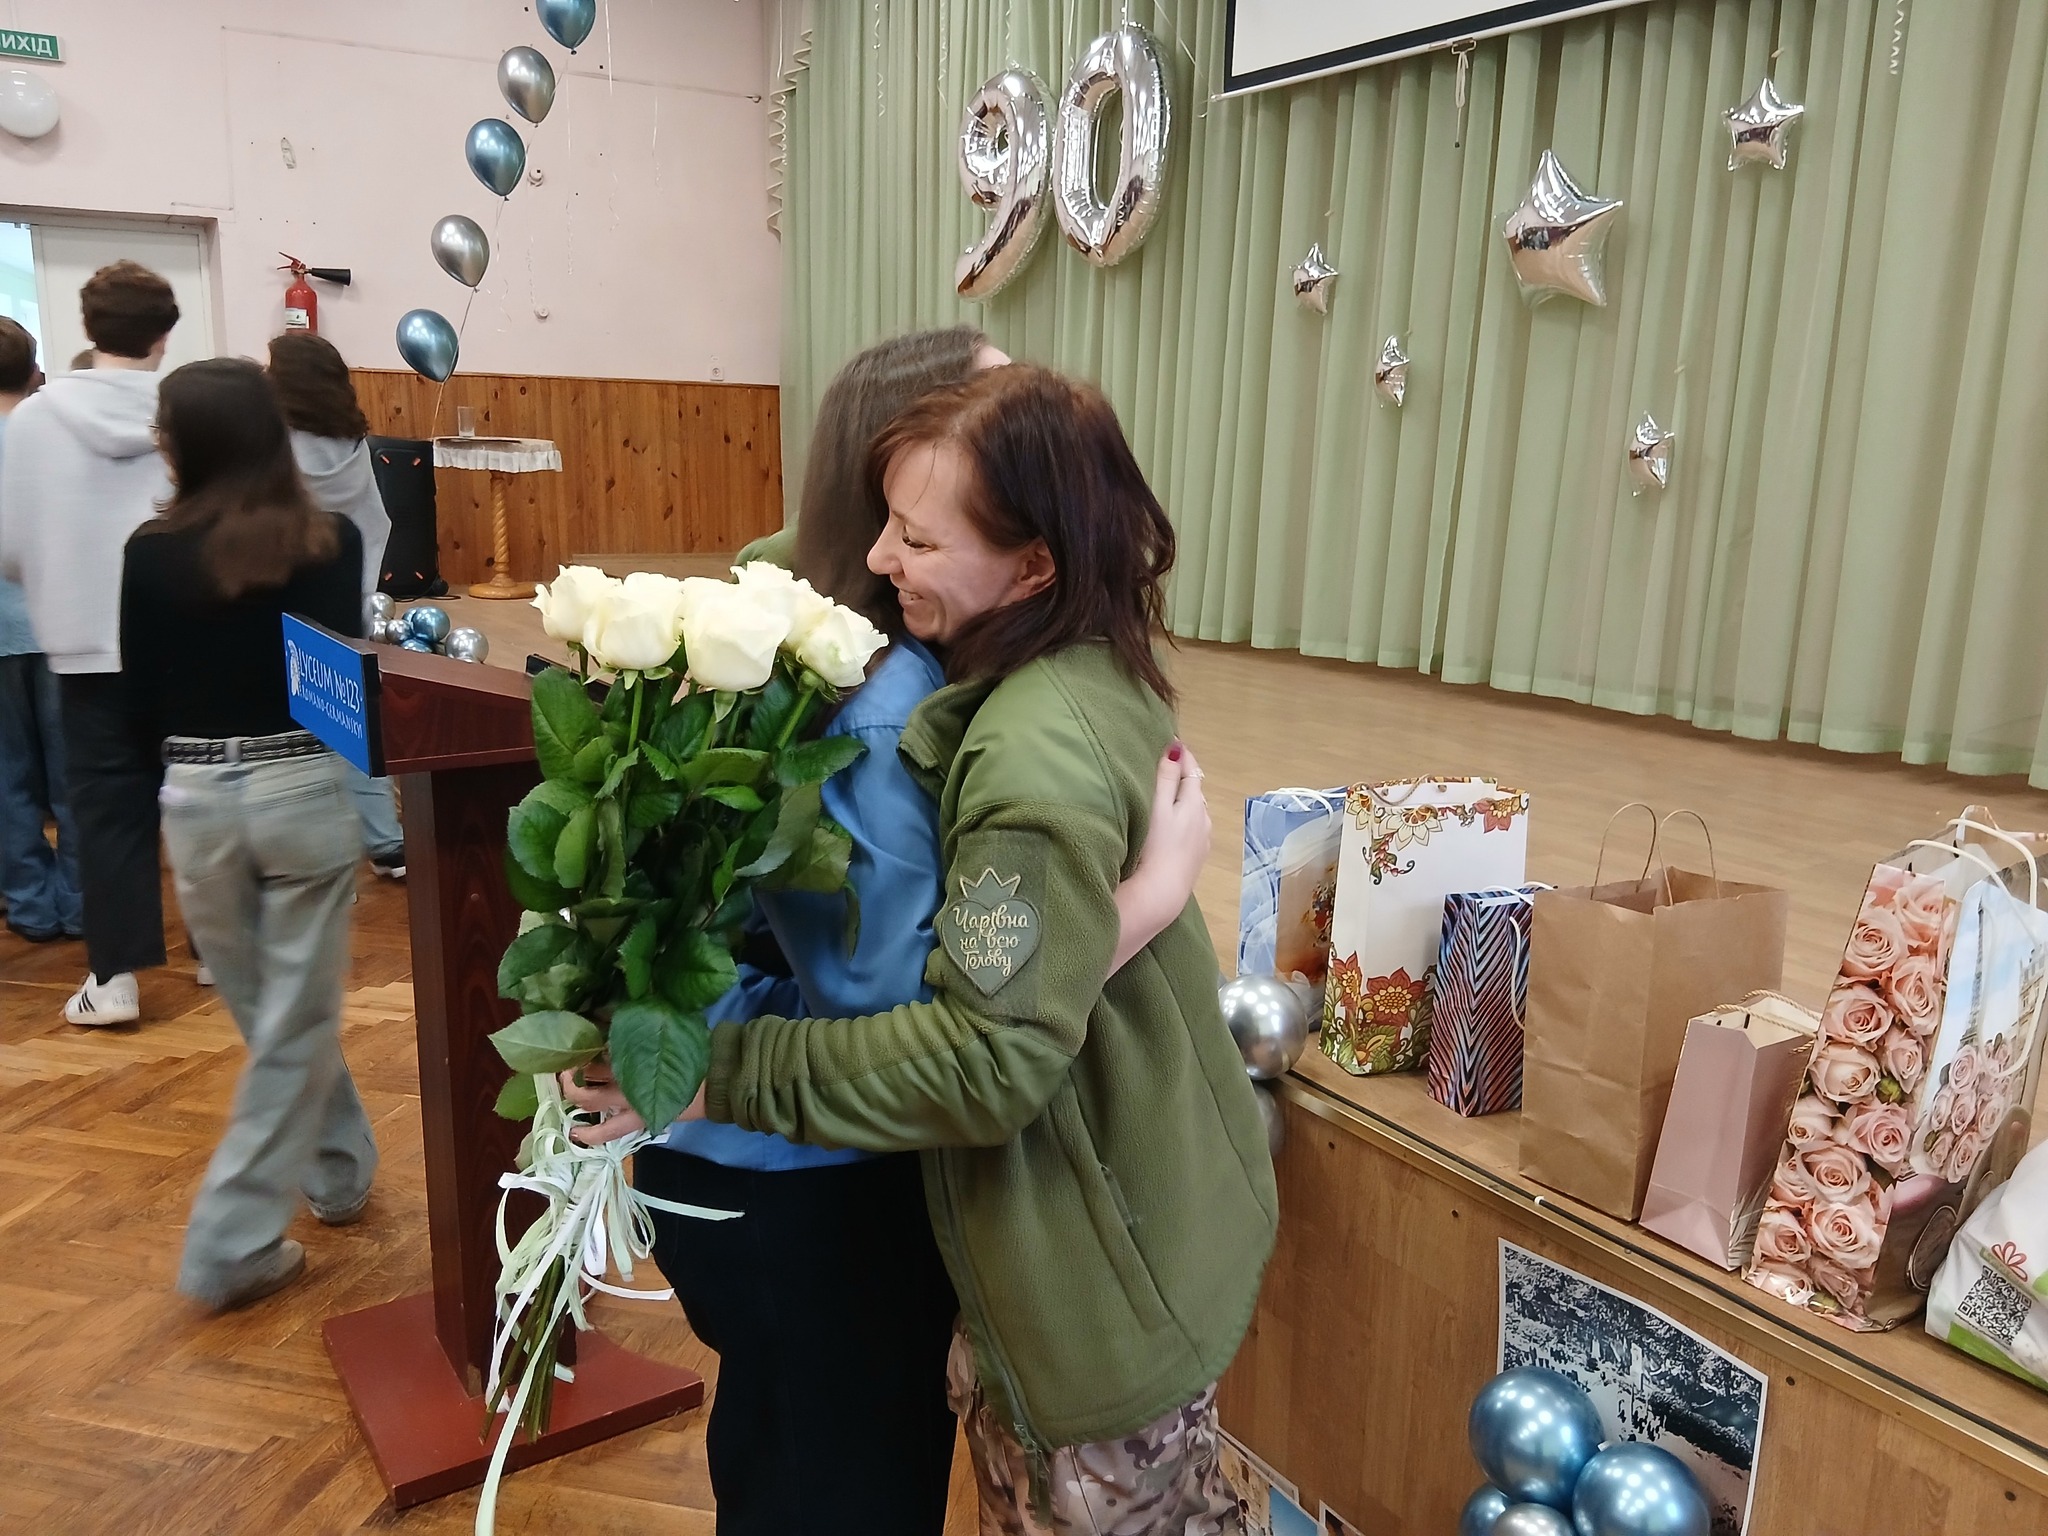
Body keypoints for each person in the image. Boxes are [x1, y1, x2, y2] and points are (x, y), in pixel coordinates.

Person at [592, 363, 1272, 1535]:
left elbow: (977, 1045)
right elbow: (974, 1017)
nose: (884, 556)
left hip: (1082, 1276)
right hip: (1077, 1242)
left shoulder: (1012, 741)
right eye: (888, 525)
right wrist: (1145, 900)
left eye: (918, 536)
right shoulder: (1046, 664)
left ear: (1034, 561)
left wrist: (713, 1067)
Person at [121, 357, 377, 1308]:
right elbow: (336, 683)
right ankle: (317, 1185)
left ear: (187, 443)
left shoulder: (149, 551)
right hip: (301, 789)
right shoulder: (333, 541)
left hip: (195, 798)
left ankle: (255, 1227)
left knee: (276, 1015)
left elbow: (139, 701)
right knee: (291, 1018)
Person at [0, 261, 180, 1024]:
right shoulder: (186, 412)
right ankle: (216, 953)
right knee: (195, 796)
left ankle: (114, 982)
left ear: (88, 328)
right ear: (164, 334)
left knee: (105, 809)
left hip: (80, 644)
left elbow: (8, 546)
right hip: (178, 643)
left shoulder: (35, 418)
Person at [265, 330, 405, 879]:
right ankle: (386, 839)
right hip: (349, 595)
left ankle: (307, 849)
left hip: (288, 596)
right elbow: (375, 518)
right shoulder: (352, 443)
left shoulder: (272, 444)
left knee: (290, 728)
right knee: (353, 718)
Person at [0, 318, 82, 945]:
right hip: (62, 623)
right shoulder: (60, 436)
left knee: (7, 777)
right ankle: (82, 903)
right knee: (75, 774)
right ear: (34, 370)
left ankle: (30, 904)